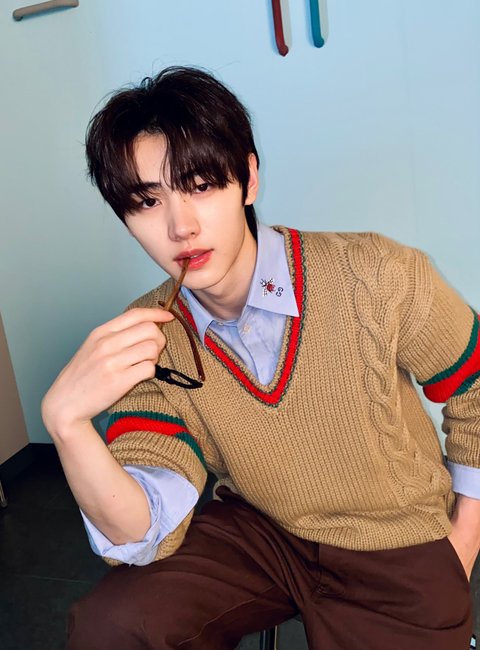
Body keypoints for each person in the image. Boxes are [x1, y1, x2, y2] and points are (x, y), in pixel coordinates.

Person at [41, 66, 480, 649]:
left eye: (200, 185)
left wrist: (465, 539)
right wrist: (67, 424)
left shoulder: (378, 274)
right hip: (259, 530)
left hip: (395, 538)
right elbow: (144, 532)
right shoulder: (145, 336)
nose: (180, 227)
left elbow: (475, 385)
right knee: (113, 628)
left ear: (248, 179)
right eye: (147, 201)